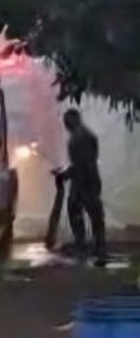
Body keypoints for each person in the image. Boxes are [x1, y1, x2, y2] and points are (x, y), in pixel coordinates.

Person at [58, 108, 108, 266]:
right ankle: (95, 247)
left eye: (67, 122)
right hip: (87, 180)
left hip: (85, 182)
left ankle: (91, 248)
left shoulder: (79, 138)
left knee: (85, 213)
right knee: (92, 215)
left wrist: (65, 174)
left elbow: (82, 163)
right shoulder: (85, 134)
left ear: (73, 120)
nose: (65, 126)